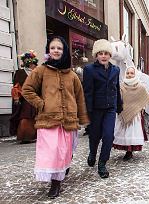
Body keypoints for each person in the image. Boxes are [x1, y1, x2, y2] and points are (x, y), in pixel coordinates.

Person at [22, 36, 89, 198]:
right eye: (53, 48)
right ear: (48, 51)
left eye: (59, 48)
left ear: (64, 50)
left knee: (66, 150)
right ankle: (55, 183)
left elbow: (79, 97)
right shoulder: (41, 71)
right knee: (52, 152)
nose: (56, 51)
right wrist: (41, 104)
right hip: (48, 119)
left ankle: (62, 170)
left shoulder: (72, 75)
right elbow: (27, 89)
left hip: (69, 120)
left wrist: (83, 118)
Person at [83, 39, 123, 179]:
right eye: (100, 53)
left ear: (110, 55)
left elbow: (117, 89)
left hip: (110, 108)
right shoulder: (89, 70)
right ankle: (92, 153)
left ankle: (102, 162)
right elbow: (87, 91)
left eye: (106, 53)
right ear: (96, 55)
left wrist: (119, 105)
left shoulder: (115, 70)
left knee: (108, 135)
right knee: (94, 136)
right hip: (96, 109)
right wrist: (87, 111)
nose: (103, 56)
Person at [113, 67, 149, 160]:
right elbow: (116, 97)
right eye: (127, 73)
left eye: (131, 73)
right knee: (124, 133)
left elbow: (148, 97)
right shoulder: (121, 86)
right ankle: (126, 149)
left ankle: (129, 151)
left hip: (135, 115)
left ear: (135, 75)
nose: (129, 75)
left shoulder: (140, 86)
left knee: (131, 133)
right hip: (122, 114)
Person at [10, 50, 38, 144]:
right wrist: (16, 97)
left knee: (38, 116)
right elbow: (17, 86)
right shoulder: (20, 73)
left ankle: (39, 136)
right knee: (25, 117)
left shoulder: (39, 72)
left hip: (38, 98)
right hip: (25, 99)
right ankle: (25, 137)